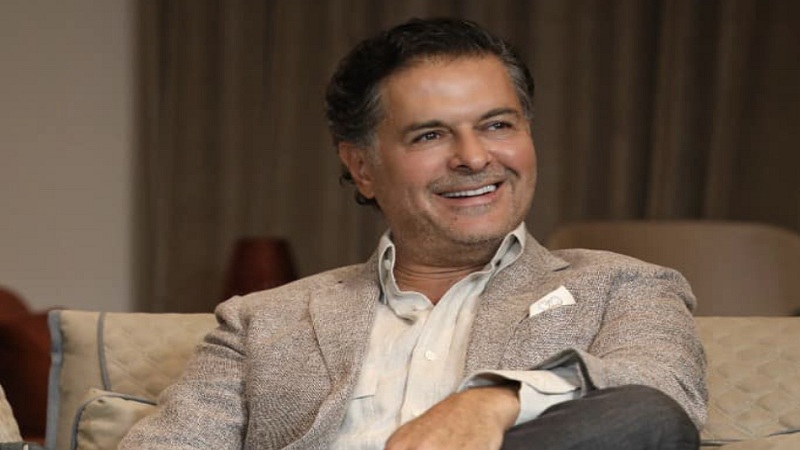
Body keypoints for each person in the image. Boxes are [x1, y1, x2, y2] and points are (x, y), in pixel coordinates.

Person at [120, 17, 706, 450]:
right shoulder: (260, 322)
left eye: (497, 125)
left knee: (642, 417)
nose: (474, 157)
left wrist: (495, 399)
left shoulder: (623, 286)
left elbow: (666, 393)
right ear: (362, 167)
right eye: (430, 135)